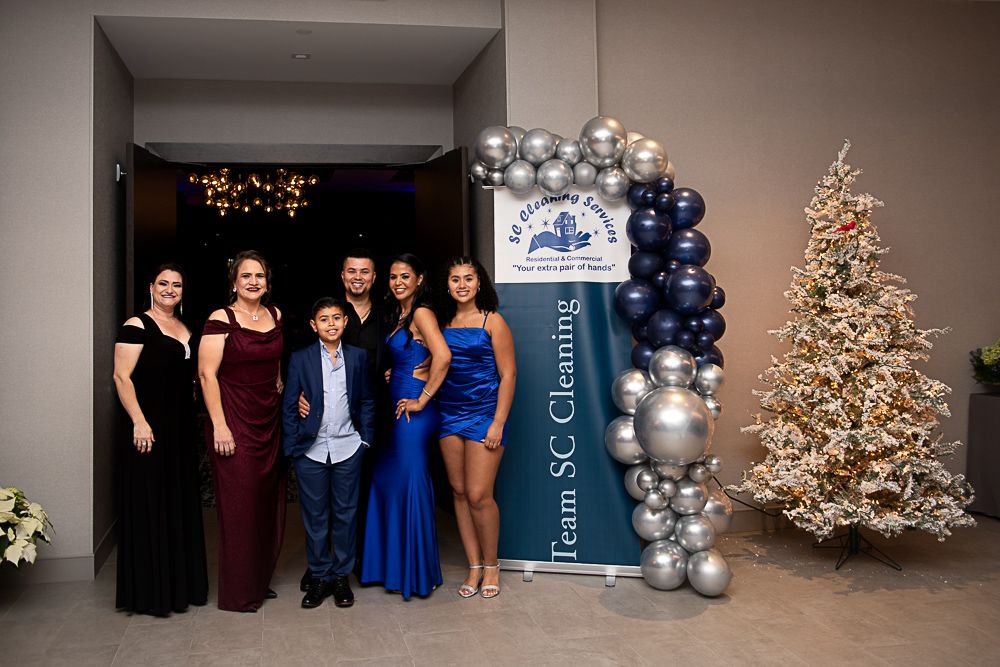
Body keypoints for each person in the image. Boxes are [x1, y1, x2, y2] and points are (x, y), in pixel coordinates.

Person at [112, 263, 208, 616]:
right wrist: (138, 421)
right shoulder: (136, 325)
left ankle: (181, 586)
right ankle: (152, 593)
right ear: (151, 286)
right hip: (148, 428)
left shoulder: (185, 326)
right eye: (164, 283)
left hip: (180, 428)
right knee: (151, 502)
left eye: (177, 285)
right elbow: (122, 377)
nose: (170, 289)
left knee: (176, 499)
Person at [198, 250, 286, 613]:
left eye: (260, 276)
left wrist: (278, 376)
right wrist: (220, 425)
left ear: (267, 282)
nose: (253, 282)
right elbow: (206, 375)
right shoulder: (221, 319)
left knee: (266, 504)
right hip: (232, 420)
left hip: (269, 419)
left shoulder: (276, 315)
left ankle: (258, 579)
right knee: (241, 507)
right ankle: (238, 592)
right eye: (246, 276)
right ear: (233, 281)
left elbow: (276, 354)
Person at [297, 248, 388, 592]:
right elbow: (306, 360)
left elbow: (403, 346)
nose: (358, 277)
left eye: (365, 271)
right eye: (352, 271)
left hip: (372, 414)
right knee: (324, 502)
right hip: (329, 419)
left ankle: (355, 563)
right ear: (343, 275)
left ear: (373, 277)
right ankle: (321, 568)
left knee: (360, 493)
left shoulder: (386, 311)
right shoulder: (331, 311)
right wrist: (303, 396)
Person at [360, 253, 450, 599]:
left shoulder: (423, 313)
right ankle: (391, 568)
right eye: (393, 276)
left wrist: (423, 398)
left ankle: (416, 573)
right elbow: (412, 355)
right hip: (395, 408)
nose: (398, 282)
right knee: (386, 481)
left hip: (413, 412)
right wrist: (394, 370)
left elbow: (443, 356)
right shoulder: (400, 315)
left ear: (420, 279)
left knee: (411, 481)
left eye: (405, 277)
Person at [283, 298, 375, 609]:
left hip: (348, 447)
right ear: (314, 325)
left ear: (345, 322)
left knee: (346, 515)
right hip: (310, 450)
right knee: (315, 517)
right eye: (324, 319)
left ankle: (341, 576)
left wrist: (365, 441)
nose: (331, 324)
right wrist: (293, 447)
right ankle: (320, 576)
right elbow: (289, 405)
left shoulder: (358, 357)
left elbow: (366, 400)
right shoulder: (300, 358)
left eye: (337, 317)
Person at [436, 257, 515, 599]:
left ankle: (492, 564)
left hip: (484, 414)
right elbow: (431, 366)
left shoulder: (493, 321)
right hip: (448, 413)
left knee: (480, 494)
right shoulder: (441, 323)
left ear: (479, 282)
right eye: (455, 279)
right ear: (448, 285)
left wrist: (498, 421)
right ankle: (473, 565)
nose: (462, 285)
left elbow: (508, 375)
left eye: (468, 278)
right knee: (458, 491)